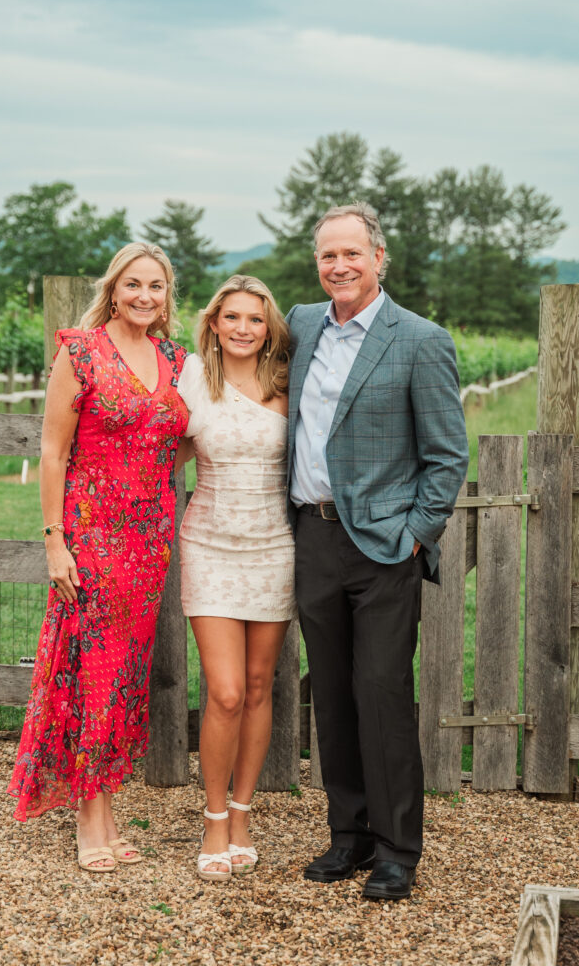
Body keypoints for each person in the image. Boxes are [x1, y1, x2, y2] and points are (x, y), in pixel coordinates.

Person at [287, 202, 469, 900]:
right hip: (313, 536)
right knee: (331, 696)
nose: (338, 266)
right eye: (327, 256)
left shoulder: (419, 339)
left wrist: (413, 535)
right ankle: (348, 835)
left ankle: (396, 848)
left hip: (383, 547)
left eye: (351, 254)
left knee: (380, 693)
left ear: (379, 258)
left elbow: (446, 455)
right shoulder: (302, 325)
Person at [8, 242, 188, 873]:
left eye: (157, 287)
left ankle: (106, 812)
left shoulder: (175, 358)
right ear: (114, 290)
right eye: (133, 285)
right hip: (91, 535)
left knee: (124, 676)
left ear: (168, 297)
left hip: (150, 539)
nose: (145, 296)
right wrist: (54, 539)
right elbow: (53, 452)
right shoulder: (80, 351)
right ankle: (90, 819)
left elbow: (174, 441)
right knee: (94, 672)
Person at [176, 275, 295, 881]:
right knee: (222, 691)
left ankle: (244, 814)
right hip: (210, 546)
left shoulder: (286, 383)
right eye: (233, 318)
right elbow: (158, 450)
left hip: (274, 547)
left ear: (268, 326)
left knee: (256, 686)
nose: (244, 328)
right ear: (215, 325)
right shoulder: (193, 378)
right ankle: (214, 819)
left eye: (255, 319)